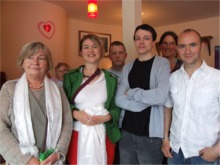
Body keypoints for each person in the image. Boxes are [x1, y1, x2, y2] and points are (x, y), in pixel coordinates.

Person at [0, 42, 73, 164]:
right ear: (22, 62)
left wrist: (58, 152)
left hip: (51, 160)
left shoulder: (57, 89)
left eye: (41, 58)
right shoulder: (9, 89)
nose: (35, 62)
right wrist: (26, 160)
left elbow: (67, 122)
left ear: (48, 64)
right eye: (30, 57)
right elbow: (1, 128)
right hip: (21, 160)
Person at [162, 29, 220, 164]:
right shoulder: (172, 78)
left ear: (202, 46)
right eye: (182, 46)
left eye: (193, 45)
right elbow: (168, 109)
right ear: (177, 49)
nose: (187, 51)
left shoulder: (217, 78)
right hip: (175, 152)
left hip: (204, 155)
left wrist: (217, 150)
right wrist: (165, 138)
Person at [115, 24, 170, 164]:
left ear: (153, 43)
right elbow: (119, 99)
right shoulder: (128, 67)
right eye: (138, 38)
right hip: (126, 133)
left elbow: (160, 96)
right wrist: (144, 102)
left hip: (150, 136)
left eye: (146, 38)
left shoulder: (162, 64)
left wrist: (133, 93)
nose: (141, 42)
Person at [63, 34, 121, 165]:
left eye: (95, 47)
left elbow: (117, 108)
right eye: (86, 47)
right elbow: (62, 104)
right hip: (77, 134)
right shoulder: (70, 77)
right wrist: (75, 113)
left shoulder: (111, 79)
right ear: (81, 52)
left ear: (101, 51)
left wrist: (106, 118)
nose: (91, 50)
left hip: (104, 134)